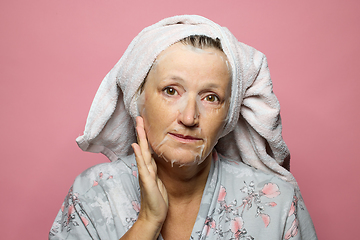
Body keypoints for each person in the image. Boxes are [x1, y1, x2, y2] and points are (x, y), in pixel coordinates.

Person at [49, 15, 317, 240]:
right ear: (137, 101)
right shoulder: (93, 193)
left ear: (228, 115)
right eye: (170, 90)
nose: (189, 117)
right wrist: (147, 222)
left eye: (211, 97)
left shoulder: (277, 202)